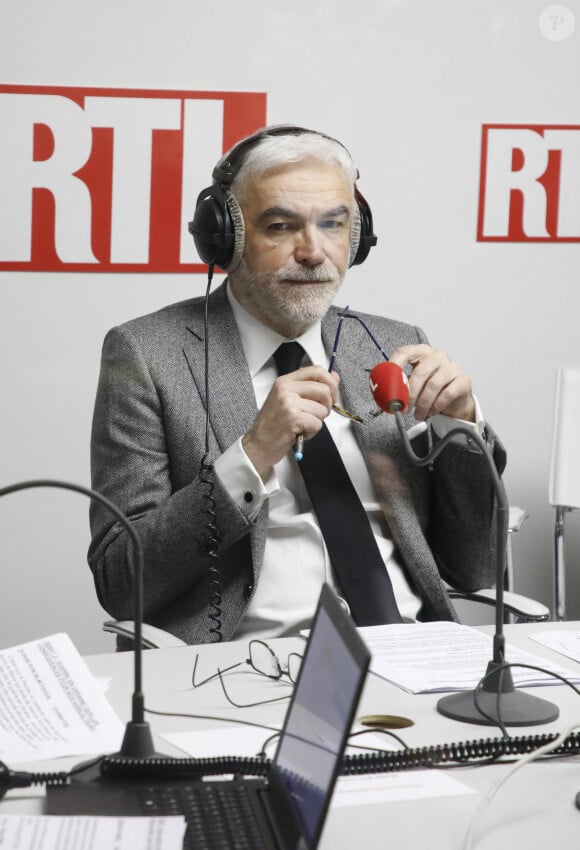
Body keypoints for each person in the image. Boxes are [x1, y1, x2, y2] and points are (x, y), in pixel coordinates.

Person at [88, 125, 507, 646]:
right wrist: (250, 457)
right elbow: (121, 582)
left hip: (410, 653)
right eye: (282, 226)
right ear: (225, 236)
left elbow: (476, 569)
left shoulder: (393, 344)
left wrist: (459, 426)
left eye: (334, 224)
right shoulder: (148, 354)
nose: (314, 252)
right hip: (246, 670)